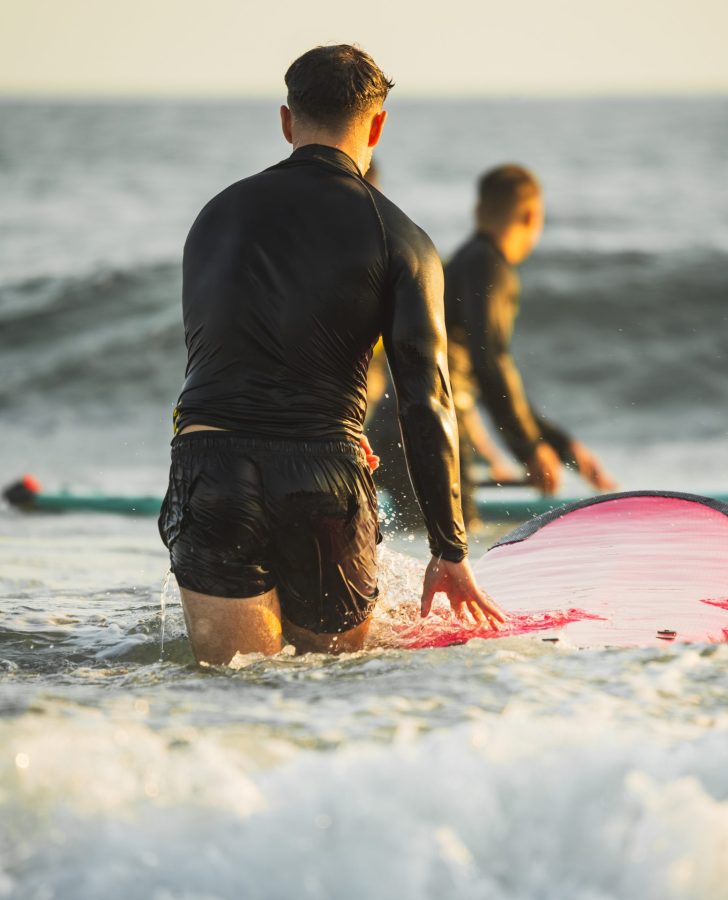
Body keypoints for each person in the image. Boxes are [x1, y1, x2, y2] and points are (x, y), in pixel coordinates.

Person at [158, 45, 504, 665]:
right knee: (329, 684)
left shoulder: (214, 217)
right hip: (321, 477)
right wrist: (449, 548)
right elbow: (426, 400)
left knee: (227, 683)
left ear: (288, 121)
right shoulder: (402, 238)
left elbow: (216, 357)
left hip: (209, 465)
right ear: (376, 125)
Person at [445, 165, 615, 527]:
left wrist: (561, 447)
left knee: (440, 548)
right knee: (460, 553)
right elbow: (489, 362)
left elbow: (488, 369)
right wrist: (528, 448)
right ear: (530, 215)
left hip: (412, 420)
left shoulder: (468, 259)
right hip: (436, 427)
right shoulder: (488, 265)